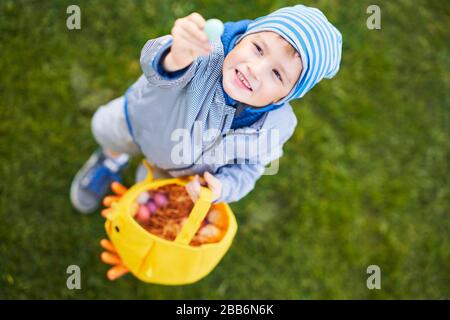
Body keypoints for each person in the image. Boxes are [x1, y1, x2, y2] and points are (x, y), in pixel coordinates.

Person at [70, 4, 342, 213]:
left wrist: (223, 187)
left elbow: (250, 168)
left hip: (177, 172)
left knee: (148, 197)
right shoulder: (205, 53)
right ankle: (110, 158)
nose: (255, 70)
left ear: (286, 96)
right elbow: (155, 66)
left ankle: (133, 205)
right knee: (110, 135)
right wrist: (176, 56)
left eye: (277, 74)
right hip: (138, 121)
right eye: (258, 49)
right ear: (244, 37)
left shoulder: (274, 126)